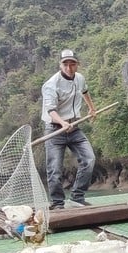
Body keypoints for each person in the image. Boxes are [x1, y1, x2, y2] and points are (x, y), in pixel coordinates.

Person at [41, 49, 97, 209]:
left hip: (74, 127)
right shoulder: (51, 84)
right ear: (60, 65)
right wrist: (62, 123)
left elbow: (85, 91)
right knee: (55, 169)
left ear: (77, 65)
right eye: (65, 64)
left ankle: (77, 197)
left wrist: (92, 108)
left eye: (72, 64)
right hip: (55, 130)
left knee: (89, 159)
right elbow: (51, 110)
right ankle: (58, 203)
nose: (69, 67)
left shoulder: (79, 78)